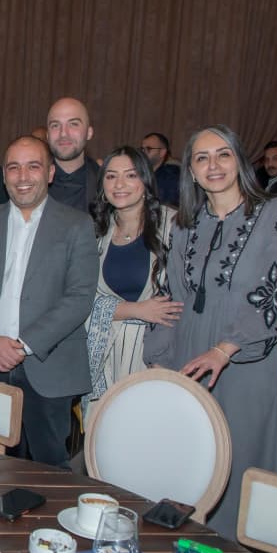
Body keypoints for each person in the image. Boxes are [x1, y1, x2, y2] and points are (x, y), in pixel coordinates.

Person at [144, 125, 277, 539]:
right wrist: (159, 362)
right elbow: (171, 296)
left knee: (240, 467)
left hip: (247, 361)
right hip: (190, 357)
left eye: (223, 154)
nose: (213, 165)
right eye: (201, 158)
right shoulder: (185, 224)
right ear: (191, 171)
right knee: (190, 469)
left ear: (240, 161)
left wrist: (225, 348)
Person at [0, 135, 98, 466]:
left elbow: (80, 297)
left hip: (49, 367)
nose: (22, 176)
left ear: (50, 173)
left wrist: (23, 345)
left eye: (33, 166)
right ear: (4, 175)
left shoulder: (77, 225)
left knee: (47, 472)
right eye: (13, 167)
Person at [85, 146, 180, 414]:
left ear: (146, 181)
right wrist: (136, 310)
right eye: (111, 176)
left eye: (130, 175)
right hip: (104, 355)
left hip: (157, 354)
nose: (120, 184)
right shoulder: (95, 231)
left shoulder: (174, 226)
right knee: (105, 430)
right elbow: (80, 299)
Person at [46, 97, 102, 212]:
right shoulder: (29, 181)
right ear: (47, 135)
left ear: (89, 133)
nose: (63, 133)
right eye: (55, 125)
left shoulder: (105, 184)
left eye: (73, 124)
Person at [140, 132, 180, 207]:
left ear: (162, 152)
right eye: (142, 149)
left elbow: (166, 208)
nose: (143, 152)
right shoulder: (139, 173)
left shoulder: (171, 176)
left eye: (148, 149)